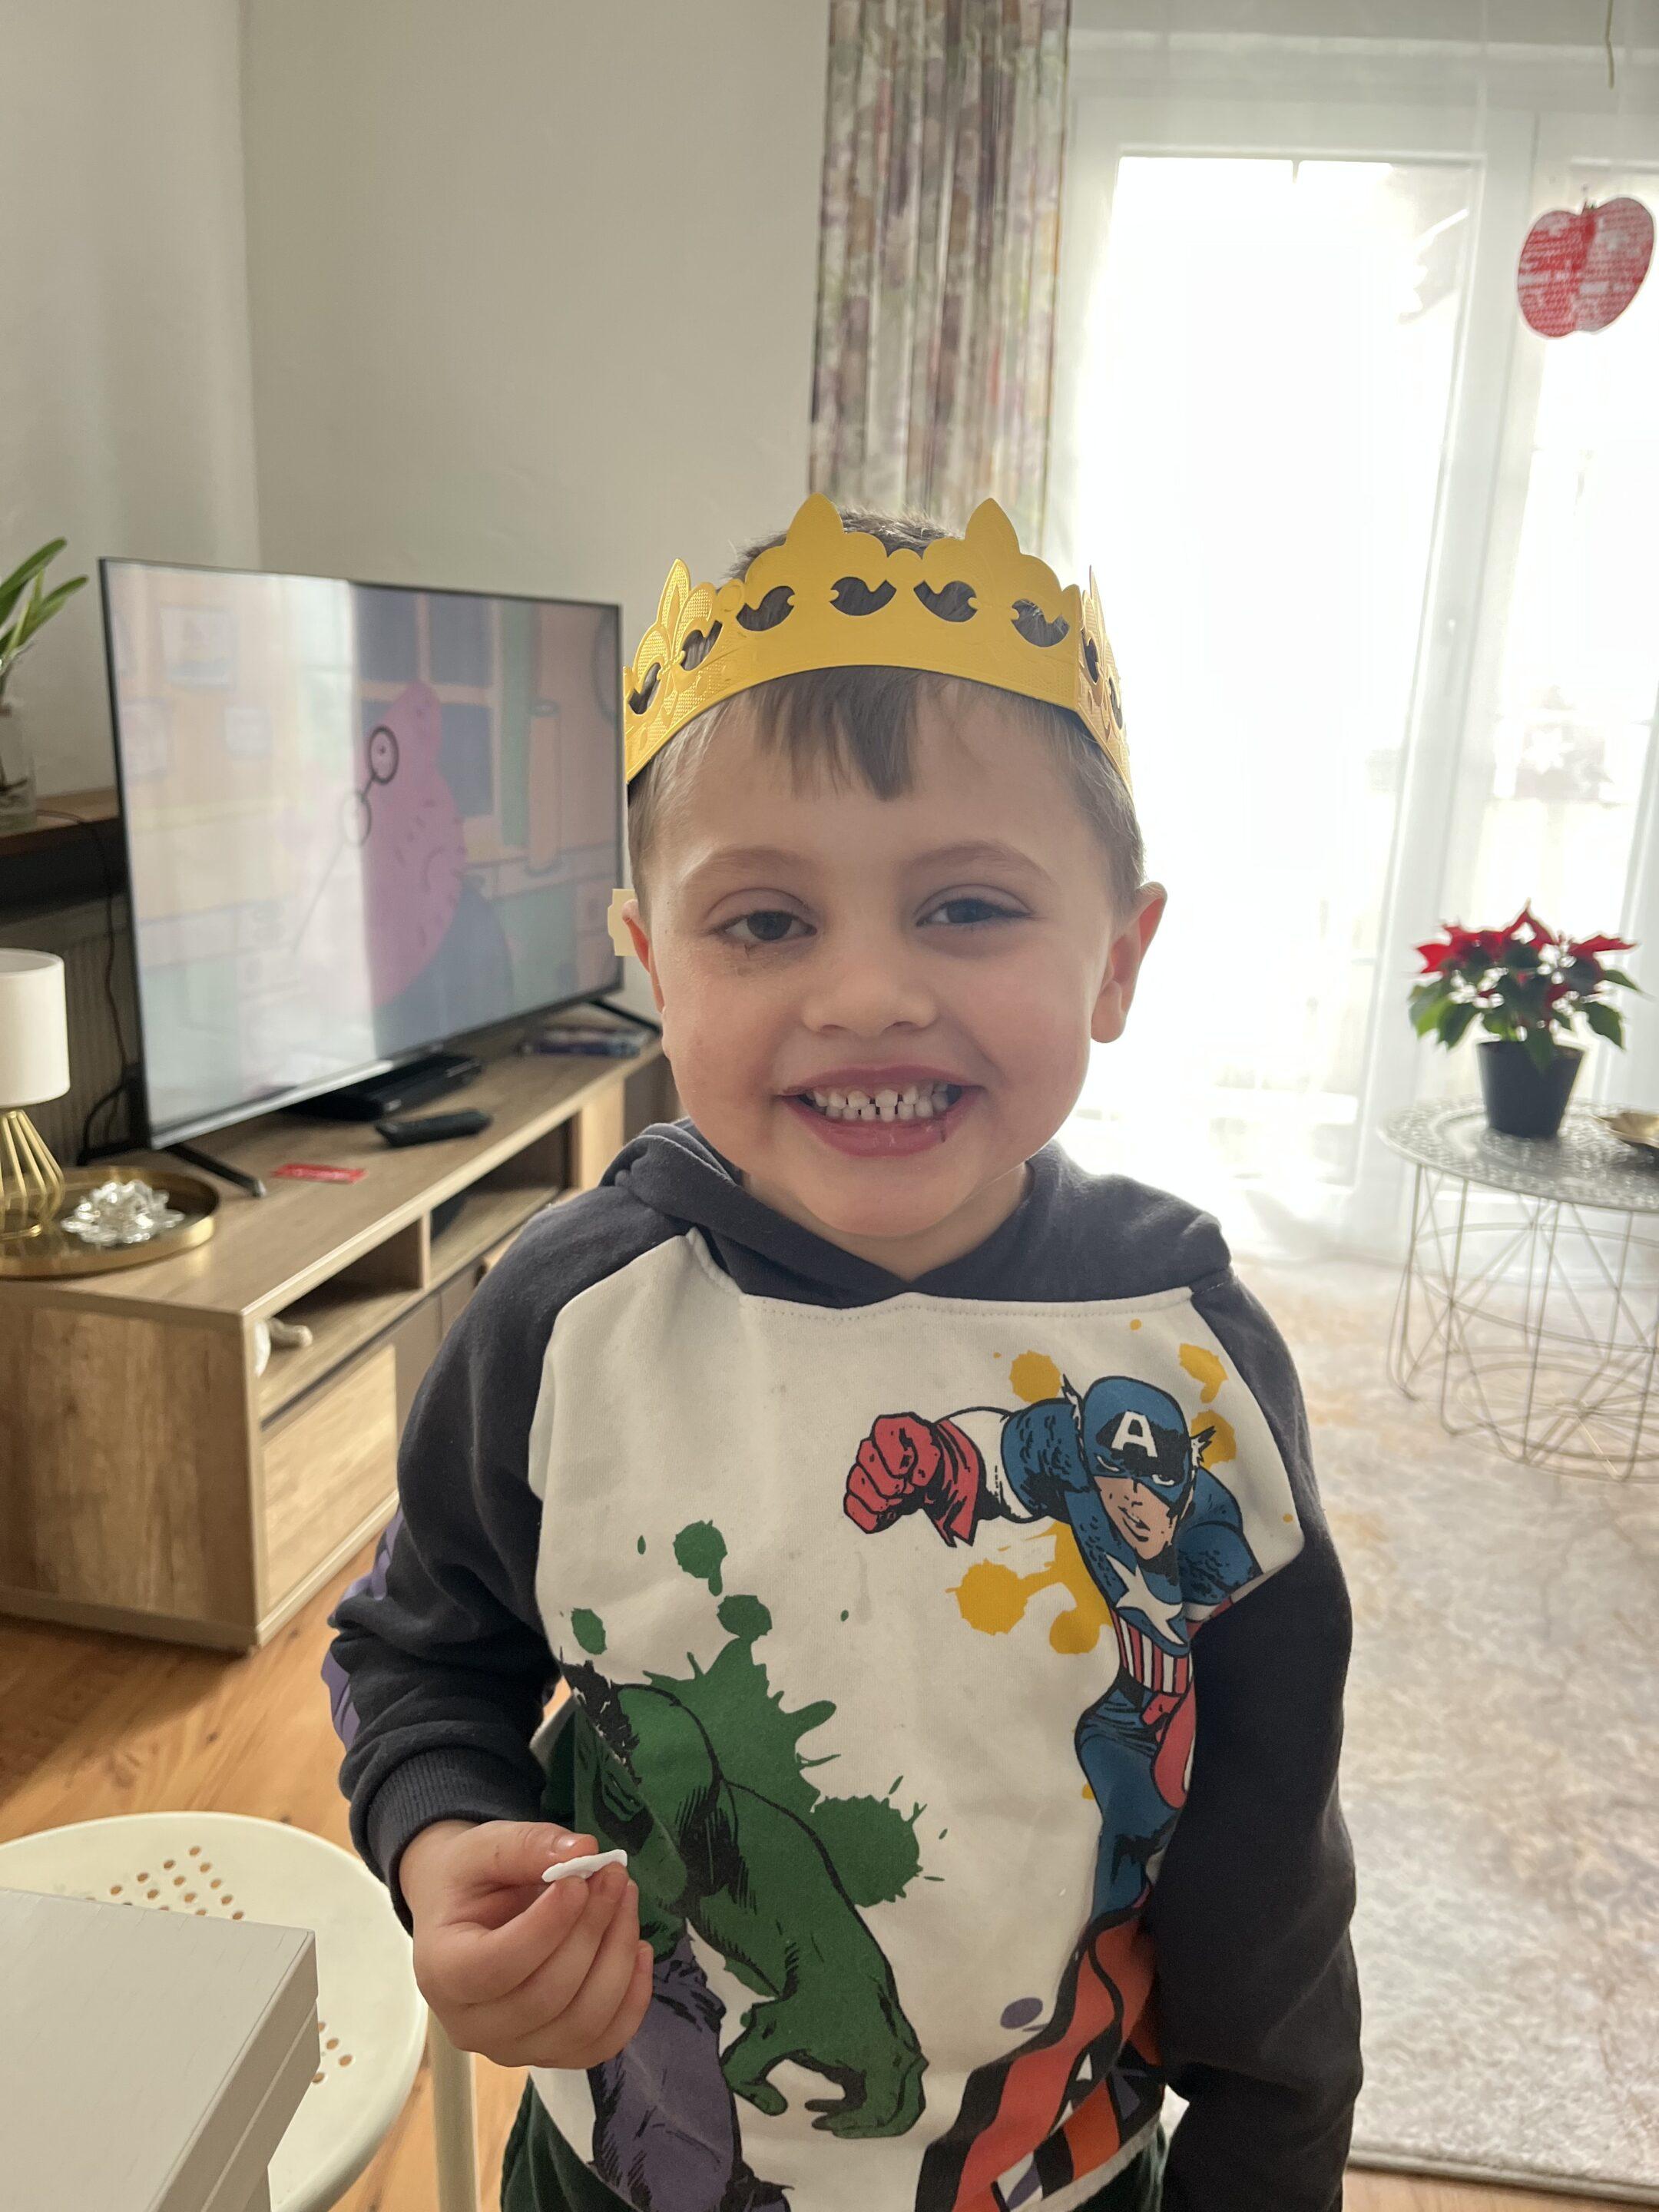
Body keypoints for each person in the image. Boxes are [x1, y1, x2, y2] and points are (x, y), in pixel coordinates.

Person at [323, 494, 1362, 2212]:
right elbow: (414, 1651)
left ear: (1119, 959)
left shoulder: (1185, 1365)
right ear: (651, 966)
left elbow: (1270, 1842)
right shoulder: (564, 1320)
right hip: (624, 2171)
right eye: (765, 923)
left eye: (967, 907)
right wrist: (441, 1845)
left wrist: (1274, 2154)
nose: (867, 992)